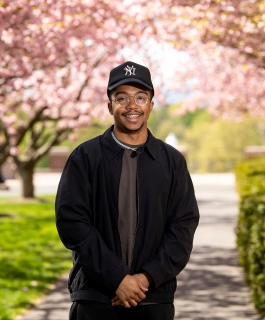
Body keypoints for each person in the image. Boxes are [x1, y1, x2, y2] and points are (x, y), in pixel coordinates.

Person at [55, 61, 199, 320]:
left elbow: (182, 227)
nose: (132, 105)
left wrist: (145, 279)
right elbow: (72, 223)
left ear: (151, 105)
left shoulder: (172, 162)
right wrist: (117, 278)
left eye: (140, 97)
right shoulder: (85, 158)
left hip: (153, 301)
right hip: (95, 300)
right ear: (110, 106)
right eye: (122, 98)